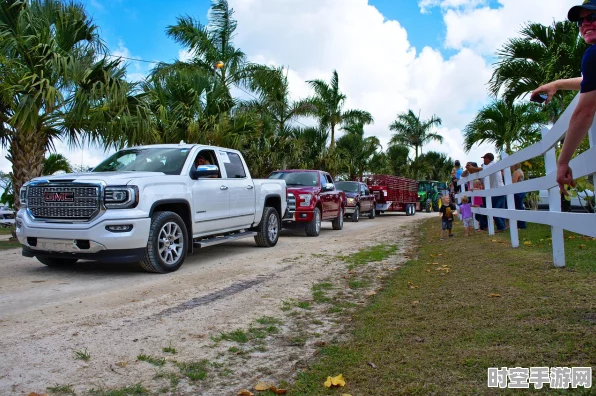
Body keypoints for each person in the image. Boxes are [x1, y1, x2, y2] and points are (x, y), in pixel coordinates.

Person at [531, 1, 596, 195]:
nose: (585, 24)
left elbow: (585, 111)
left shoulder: (592, 55)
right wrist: (557, 84)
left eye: (592, 17)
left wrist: (563, 161)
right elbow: (590, 81)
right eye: (580, 22)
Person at [466, 153, 507, 231]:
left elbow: (480, 169)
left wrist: (472, 168)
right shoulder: (488, 166)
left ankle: (501, 226)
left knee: (492, 209)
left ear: (488, 158)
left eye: (484, 158)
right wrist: (470, 168)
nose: (483, 160)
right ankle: (502, 226)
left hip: (497, 190)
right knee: (500, 209)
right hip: (498, 190)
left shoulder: (492, 164)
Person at [511, 163, 527, 229]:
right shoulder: (520, 171)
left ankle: (521, 225)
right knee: (520, 207)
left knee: (519, 208)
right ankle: (521, 224)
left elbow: (513, 182)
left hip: (518, 192)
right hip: (521, 191)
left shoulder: (516, 172)